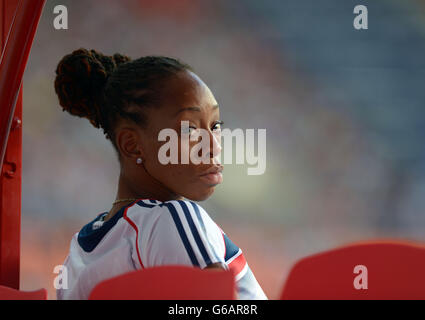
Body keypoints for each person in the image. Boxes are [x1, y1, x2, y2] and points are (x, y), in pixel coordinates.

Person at [54, 48, 267, 300]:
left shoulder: (78, 252)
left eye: (215, 126)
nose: (214, 145)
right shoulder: (168, 217)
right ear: (132, 144)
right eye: (189, 129)